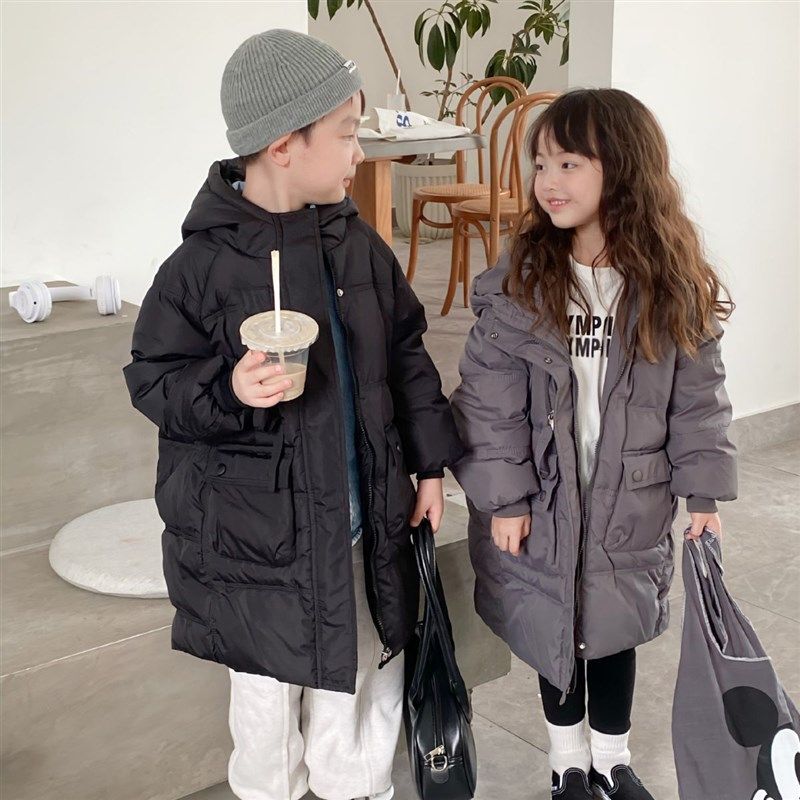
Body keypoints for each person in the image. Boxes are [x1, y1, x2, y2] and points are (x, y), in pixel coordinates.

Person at [123, 29, 462, 800]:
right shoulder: (201, 268)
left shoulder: (359, 248)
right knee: (267, 714)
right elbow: (154, 378)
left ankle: (358, 788)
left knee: (363, 692)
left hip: (363, 527)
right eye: (345, 134)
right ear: (283, 145)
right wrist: (230, 390)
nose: (359, 154)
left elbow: (407, 353)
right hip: (260, 548)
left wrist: (429, 464)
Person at [449, 88, 738, 800]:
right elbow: (487, 401)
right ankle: (566, 764)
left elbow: (698, 400)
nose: (548, 181)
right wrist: (505, 499)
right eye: (541, 164)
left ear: (624, 169)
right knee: (554, 627)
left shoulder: (668, 286)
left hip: (628, 499)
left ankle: (611, 761)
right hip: (543, 498)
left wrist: (703, 492)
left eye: (569, 163)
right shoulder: (520, 283)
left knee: (613, 626)